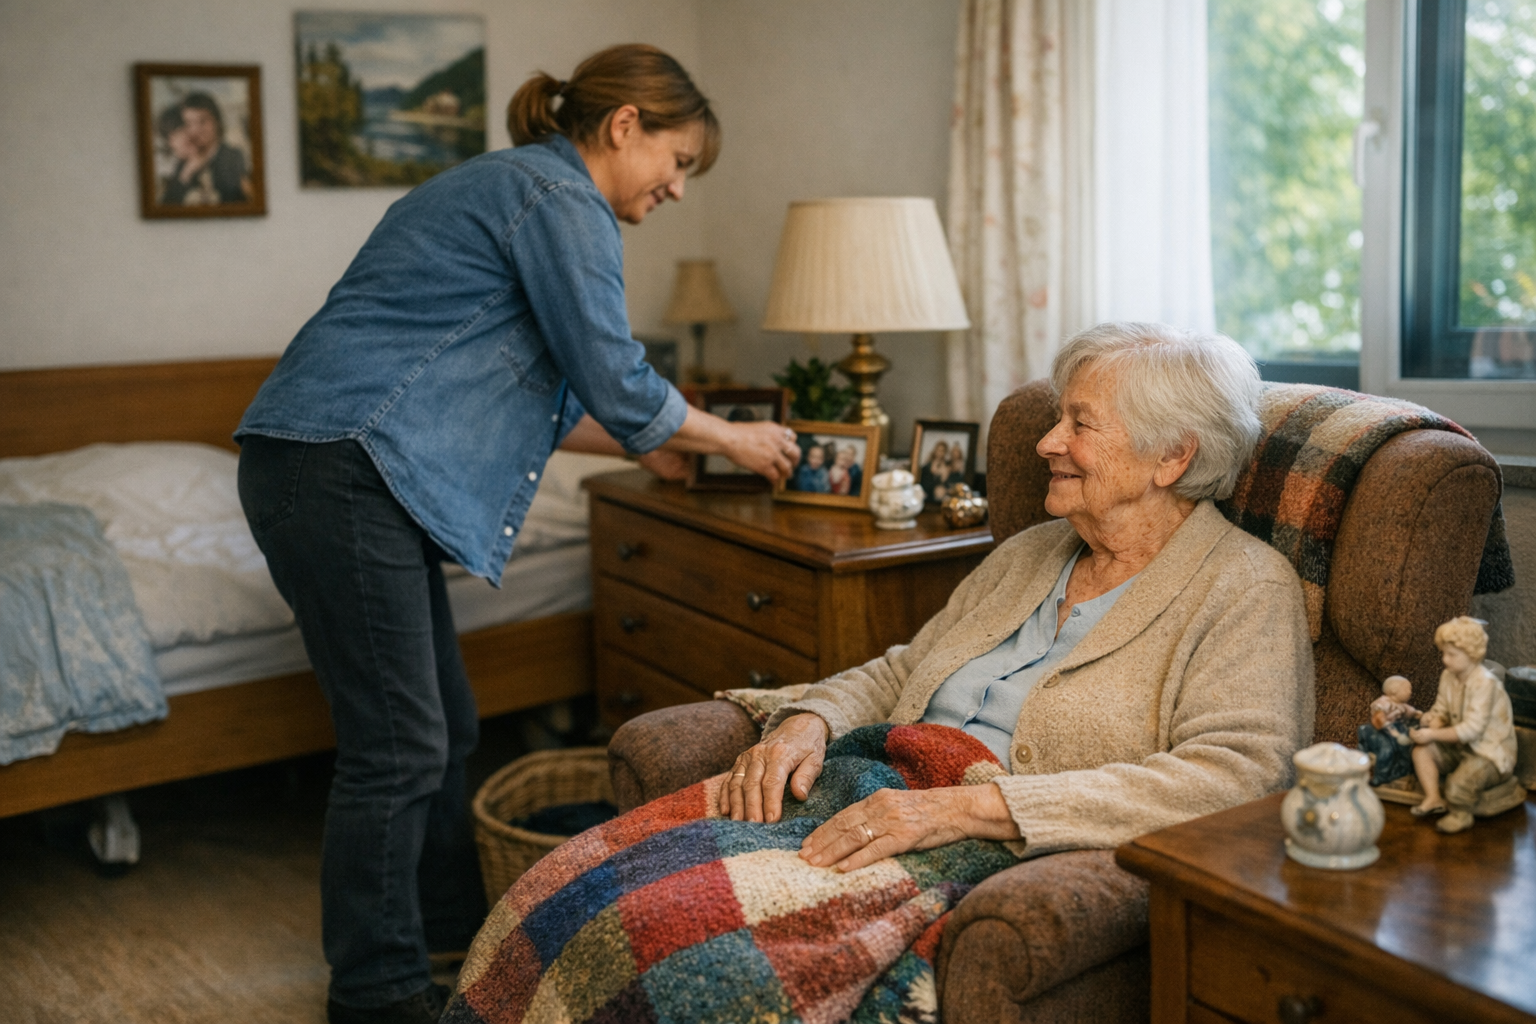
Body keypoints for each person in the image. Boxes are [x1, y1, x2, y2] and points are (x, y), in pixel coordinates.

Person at [234, 44, 798, 1024]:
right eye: (675, 160)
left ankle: (449, 926)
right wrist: (730, 437)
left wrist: (658, 444)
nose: (675, 186)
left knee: (442, 724)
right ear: (625, 125)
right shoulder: (556, 196)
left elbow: (525, 393)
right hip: (342, 468)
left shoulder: (508, 187)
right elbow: (617, 376)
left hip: (340, 465)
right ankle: (374, 992)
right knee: (399, 746)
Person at [723, 321, 1313, 874]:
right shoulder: (1031, 552)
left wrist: (962, 810)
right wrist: (810, 721)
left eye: (1080, 425)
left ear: (1172, 456)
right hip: (869, 791)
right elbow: (906, 669)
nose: (1047, 442)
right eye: (1059, 418)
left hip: (971, 848)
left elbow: (1236, 779)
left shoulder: (1245, 586)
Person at [1408, 616, 1519, 833]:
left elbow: (1472, 730)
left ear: (1471, 653)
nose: (1445, 660)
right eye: (1443, 653)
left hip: (1488, 753)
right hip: (1460, 747)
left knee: (1458, 786)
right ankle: (1433, 798)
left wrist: (1432, 735)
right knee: (1421, 752)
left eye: (1452, 654)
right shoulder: (1449, 676)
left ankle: (1461, 814)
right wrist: (1433, 720)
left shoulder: (1485, 683)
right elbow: (1441, 709)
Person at [160, 92, 249, 205]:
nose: (196, 129)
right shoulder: (184, 163)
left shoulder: (233, 156)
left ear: (216, 121)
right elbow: (166, 206)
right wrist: (186, 175)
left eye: (203, 121)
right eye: (189, 123)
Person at [1358, 675, 1420, 787]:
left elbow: (1415, 714)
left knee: (1408, 749)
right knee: (1387, 751)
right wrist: (1395, 734)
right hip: (1380, 732)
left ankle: (1401, 774)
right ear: (1394, 690)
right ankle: (1380, 777)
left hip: (1398, 731)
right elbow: (1378, 720)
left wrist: (1421, 716)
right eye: (1407, 689)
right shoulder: (1383, 703)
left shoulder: (1404, 706)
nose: (1410, 692)